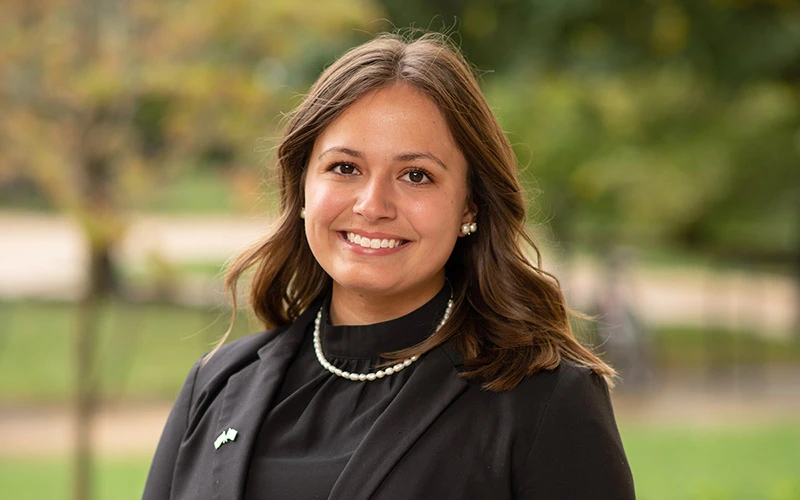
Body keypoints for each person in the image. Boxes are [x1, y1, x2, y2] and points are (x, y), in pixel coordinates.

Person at [143, 31, 635, 500]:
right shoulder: (216, 384)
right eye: (345, 168)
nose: (372, 205)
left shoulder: (544, 398)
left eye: (416, 175)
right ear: (303, 189)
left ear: (470, 206)